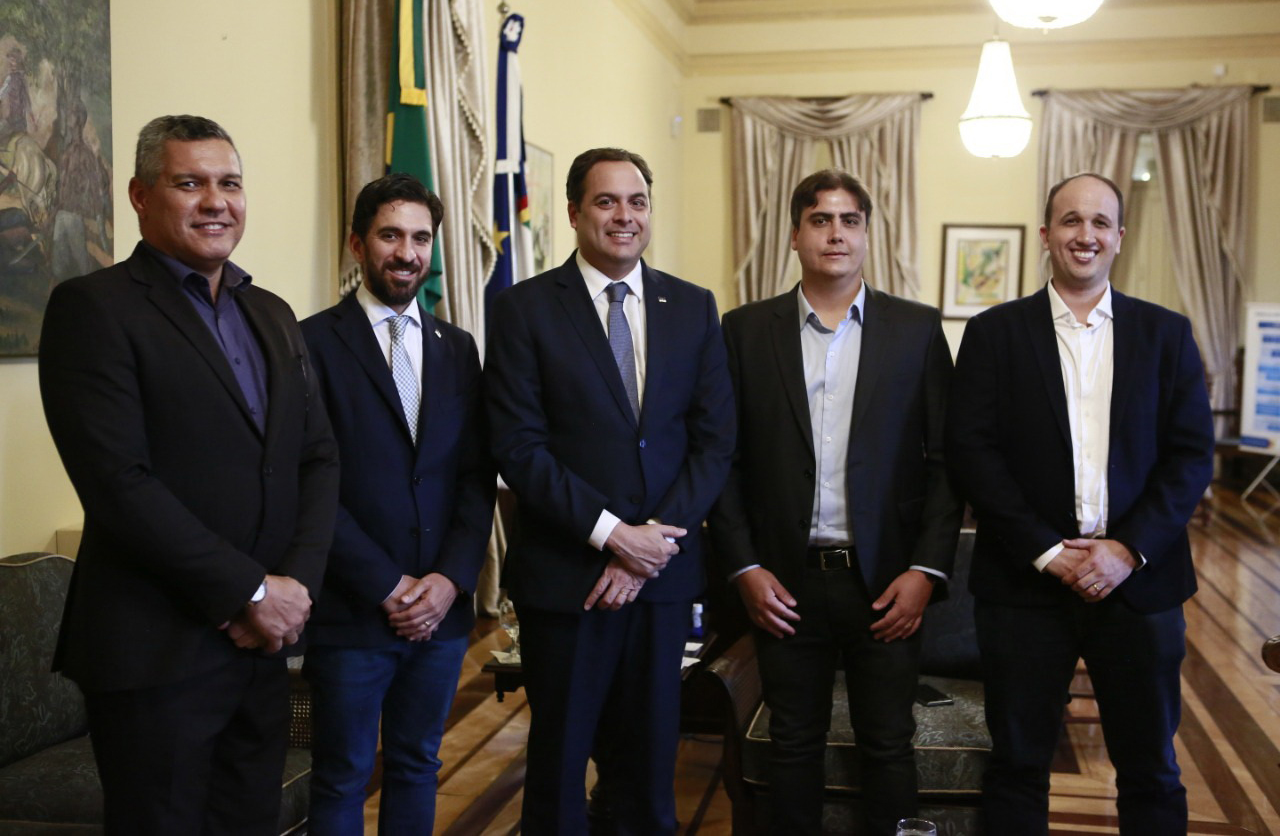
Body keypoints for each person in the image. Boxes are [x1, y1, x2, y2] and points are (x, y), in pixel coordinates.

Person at [37, 114, 339, 834]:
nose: (216, 201)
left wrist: (293, 586)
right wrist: (250, 590)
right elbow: (119, 483)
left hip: (263, 649)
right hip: (156, 653)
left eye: (229, 183)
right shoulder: (93, 309)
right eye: (189, 183)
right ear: (141, 196)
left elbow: (318, 456)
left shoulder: (271, 312)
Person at [947, 172, 1215, 834]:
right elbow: (974, 454)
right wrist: (1047, 551)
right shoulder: (993, 333)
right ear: (1046, 235)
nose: (1085, 235)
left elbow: (1190, 457)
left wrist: (1126, 550)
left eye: (1100, 222)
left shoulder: (1167, 334)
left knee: (1151, 768)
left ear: (1120, 237)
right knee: (1016, 765)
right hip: (1024, 584)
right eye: (1071, 221)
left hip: (1140, 585)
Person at [485, 147, 736, 834]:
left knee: (651, 763)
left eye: (637, 201)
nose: (624, 216)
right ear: (573, 212)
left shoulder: (691, 305)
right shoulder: (523, 309)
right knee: (561, 763)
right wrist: (612, 535)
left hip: (661, 578)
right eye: (606, 201)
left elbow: (714, 441)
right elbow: (518, 446)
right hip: (568, 577)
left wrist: (650, 543)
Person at [709, 169, 961, 835]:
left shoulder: (915, 330)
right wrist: (744, 567)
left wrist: (925, 571)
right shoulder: (742, 331)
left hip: (886, 581)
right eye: (820, 219)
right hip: (783, 582)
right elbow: (721, 463)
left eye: (850, 220)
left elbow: (947, 464)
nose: (836, 233)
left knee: (887, 740)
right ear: (795, 235)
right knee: (793, 738)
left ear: (867, 234)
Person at [299, 173, 494, 834]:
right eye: (390, 235)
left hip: (441, 615)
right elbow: (310, 485)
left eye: (420, 237)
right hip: (351, 609)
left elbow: (475, 476)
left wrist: (447, 580)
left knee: (418, 763)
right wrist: (388, 584)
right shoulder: (309, 344)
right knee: (343, 772)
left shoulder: (458, 348)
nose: (407, 252)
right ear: (357, 244)